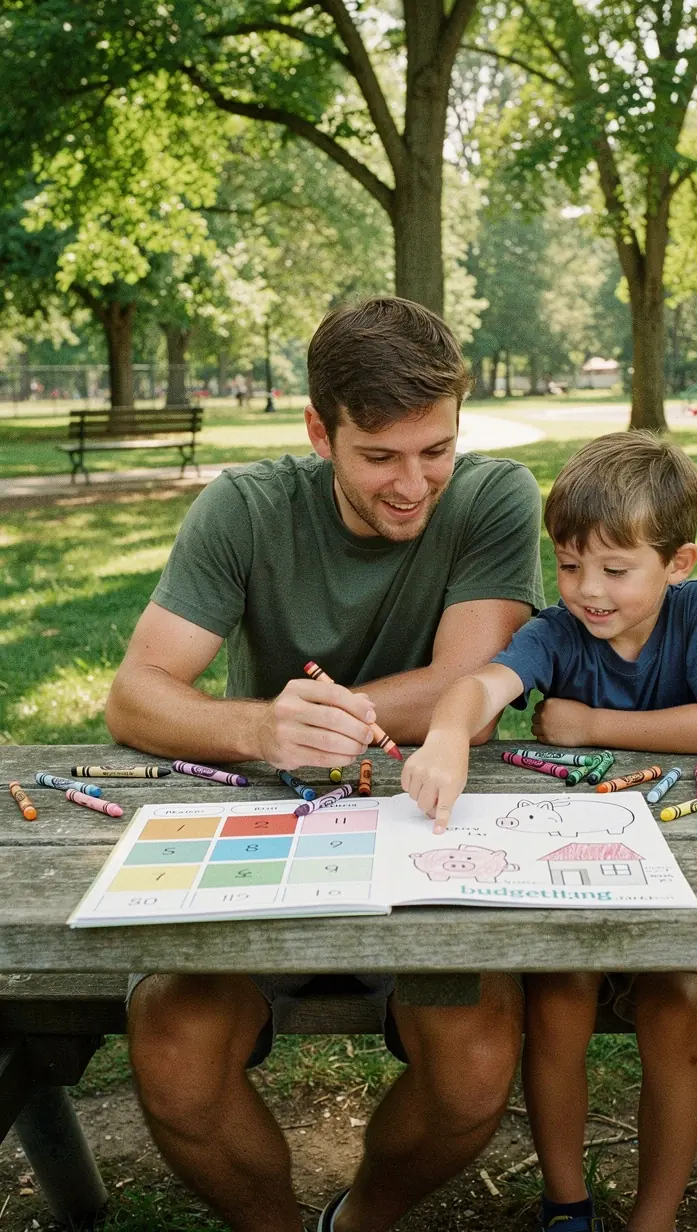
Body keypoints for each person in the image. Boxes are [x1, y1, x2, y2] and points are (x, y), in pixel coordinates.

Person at [105, 295, 545, 1232]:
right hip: (266, 845)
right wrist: (262, 730)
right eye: (380, 456)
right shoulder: (243, 507)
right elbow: (136, 693)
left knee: (473, 1067)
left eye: (436, 451)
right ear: (318, 431)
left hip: (434, 836)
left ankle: (359, 1223)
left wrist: (335, 715)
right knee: (175, 1055)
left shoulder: (495, 496)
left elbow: (473, 678)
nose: (414, 485)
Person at [401, 431, 697, 1232]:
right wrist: (450, 733)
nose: (587, 591)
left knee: (677, 1004)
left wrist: (588, 720)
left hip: (689, 887)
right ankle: (566, 1202)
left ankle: (655, 1218)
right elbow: (481, 684)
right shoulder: (557, 632)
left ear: (678, 563)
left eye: (613, 569)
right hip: (572, 879)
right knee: (559, 998)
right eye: (569, 566)